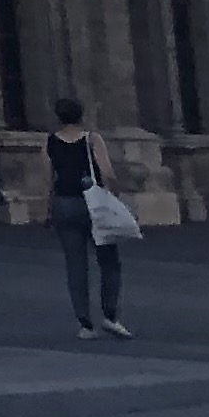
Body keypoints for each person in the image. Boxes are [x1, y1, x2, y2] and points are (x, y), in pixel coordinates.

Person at [44, 97, 131, 338]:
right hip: (93, 204)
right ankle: (110, 315)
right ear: (81, 115)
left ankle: (84, 323)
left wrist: (47, 210)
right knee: (109, 260)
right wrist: (116, 196)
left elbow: (48, 179)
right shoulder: (92, 139)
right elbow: (107, 172)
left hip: (64, 203)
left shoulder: (50, 142)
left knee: (75, 265)